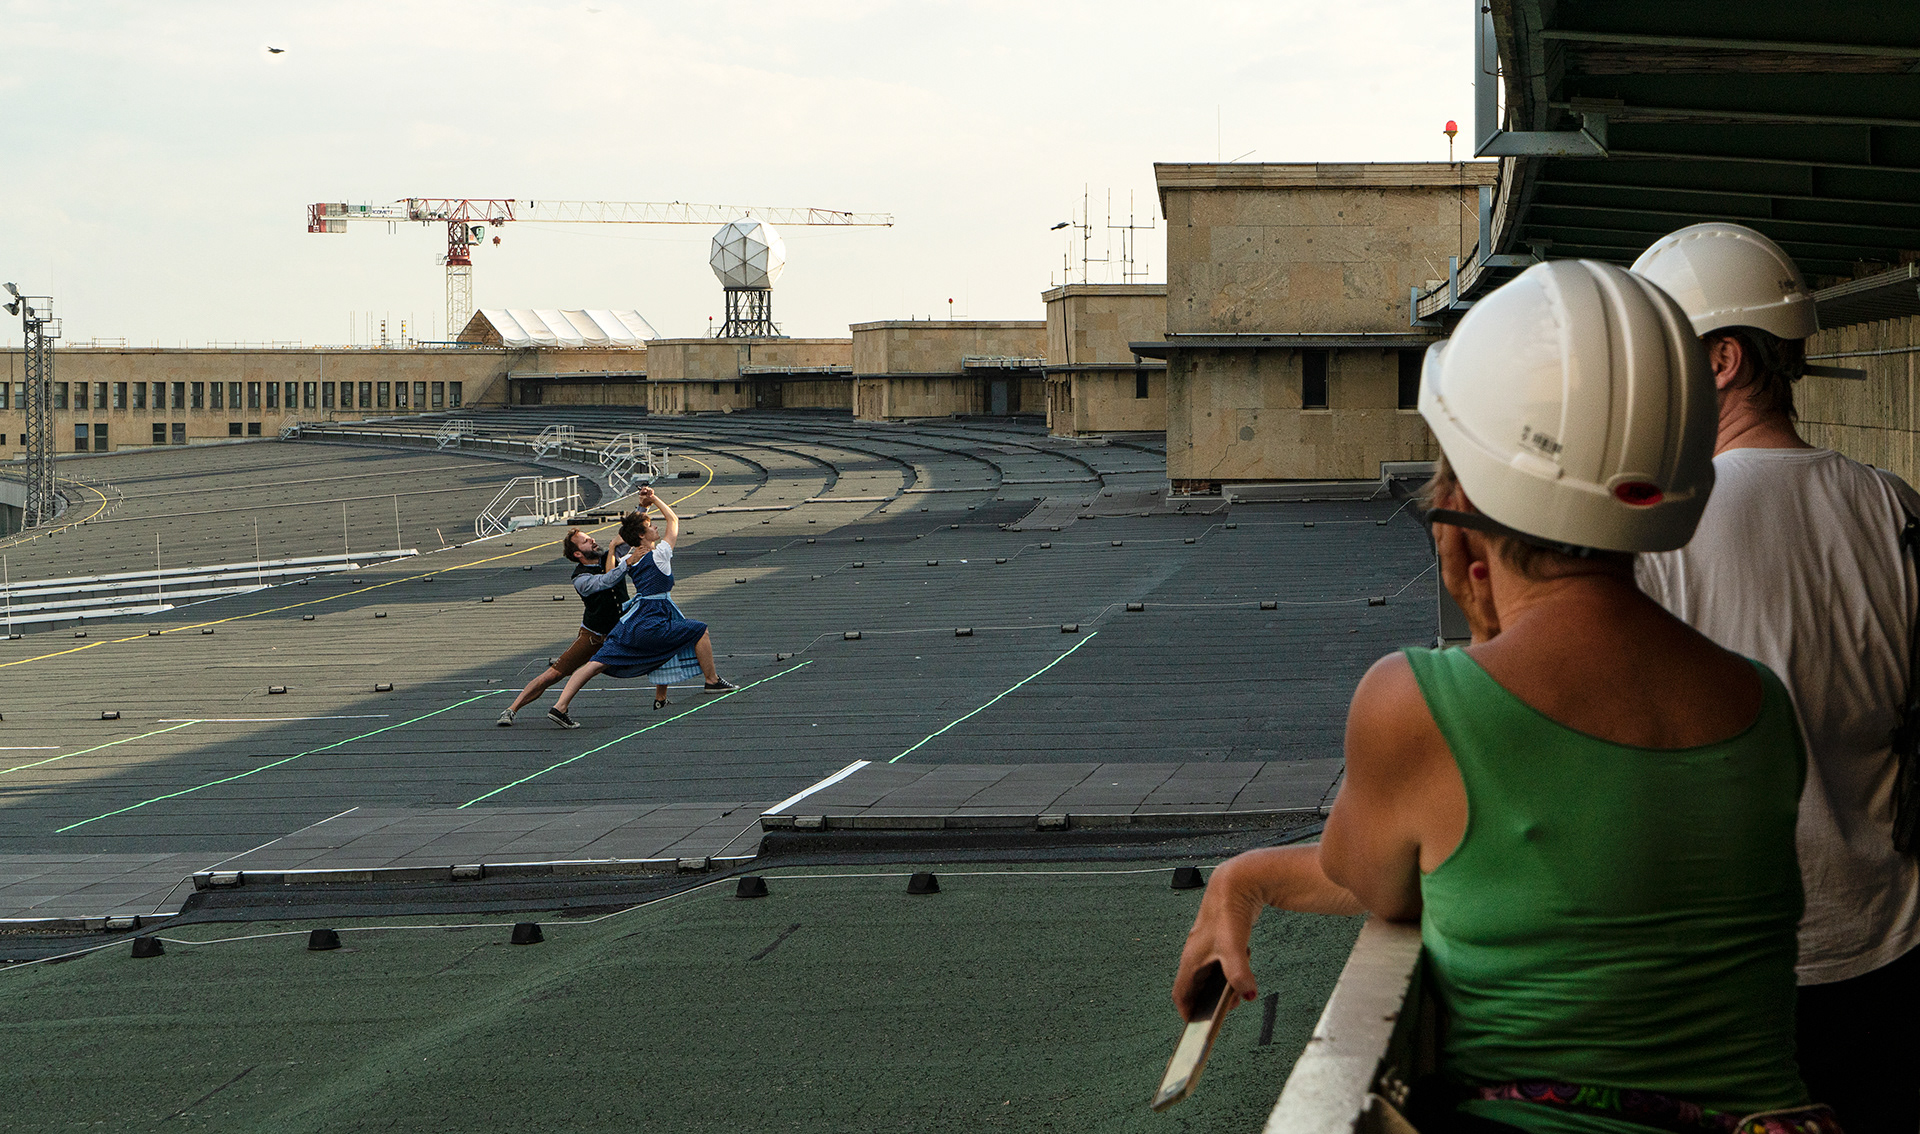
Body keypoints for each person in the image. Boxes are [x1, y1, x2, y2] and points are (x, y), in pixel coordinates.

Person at [1174, 261, 1829, 1134]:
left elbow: (1385, 879)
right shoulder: (1760, 706)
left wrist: (1486, 641)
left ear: (1462, 501)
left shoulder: (1418, 701)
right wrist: (1247, 876)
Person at [1632, 222, 1920, 1134]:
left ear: (1720, 360)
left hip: (1731, 973)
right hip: (1893, 944)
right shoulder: (1895, 507)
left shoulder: (1658, 530)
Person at [546, 486, 735, 729]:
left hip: (632, 621)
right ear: (643, 535)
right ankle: (712, 680)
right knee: (699, 630)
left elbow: (611, 573)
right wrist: (653, 499)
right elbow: (673, 519)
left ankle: (560, 706)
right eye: (650, 526)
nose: (655, 527)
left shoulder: (630, 559)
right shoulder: (661, 555)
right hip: (654, 616)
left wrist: (614, 548)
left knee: (596, 663)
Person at [495, 525, 635, 727]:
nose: (593, 540)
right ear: (578, 553)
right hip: (594, 635)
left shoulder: (607, 556)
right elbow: (607, 580)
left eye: (590, 538)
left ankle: (661, 698)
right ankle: (511, 710)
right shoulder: (581, 578)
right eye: (586, 541)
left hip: (621, 630)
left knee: (658, 646)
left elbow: (631, 536)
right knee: (555, 673)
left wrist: (644, 505)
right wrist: (624, 559)